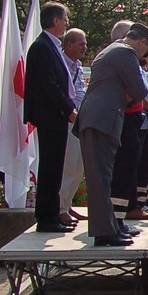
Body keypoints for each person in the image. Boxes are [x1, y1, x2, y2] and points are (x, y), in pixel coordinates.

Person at [75, 22, 148, 246]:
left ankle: (109, 227)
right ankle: (104, 232)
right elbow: (141, 91)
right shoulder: (125, 52)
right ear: (141, 42)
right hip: (102, 120)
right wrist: (130, 94)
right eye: (145, 50)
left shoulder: (113, 50)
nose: (143, 55)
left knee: (104, 177)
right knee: (101, 179)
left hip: (99, 119)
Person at [24, 2, 79, 233]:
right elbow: (50, 85)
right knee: (50, 168)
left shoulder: (51, 46)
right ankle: (47, 218)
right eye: (64, 18)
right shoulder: (42, 47)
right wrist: (69, 110)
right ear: (55, 20)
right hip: (50, 117)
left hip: (55, 117)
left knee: (55, 167)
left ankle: (52, 214)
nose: (66, 23)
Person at [55, 29, 89, 225]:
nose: (84, 47)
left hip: (80, 119)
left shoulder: (77, 66)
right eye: (80, 43)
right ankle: (60, 208)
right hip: (68, 120)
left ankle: (67, 205)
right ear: (68, 45)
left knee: (79, 168)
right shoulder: (61, 64)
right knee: (68, 165)